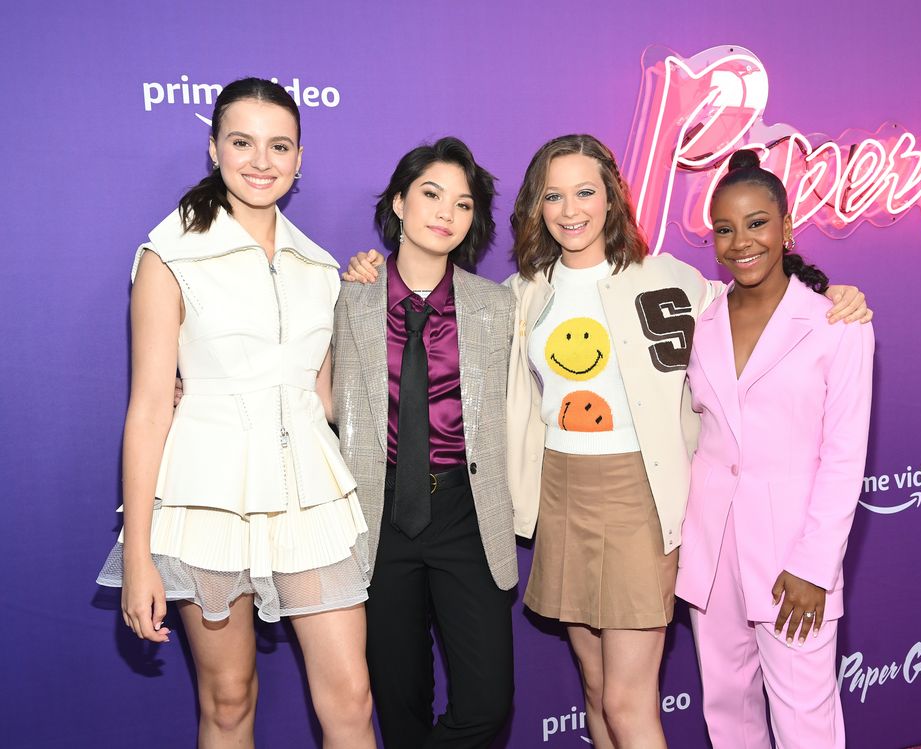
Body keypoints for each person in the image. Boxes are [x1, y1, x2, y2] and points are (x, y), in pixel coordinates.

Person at [502, 134, 870, 749]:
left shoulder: (670, 279)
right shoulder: (524, 293)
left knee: (628, 702)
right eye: (553, 195)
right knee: (601, 691)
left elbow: (767, 298)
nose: (570, 209)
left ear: (612, 197)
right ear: (536, 206)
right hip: (570, 498)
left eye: (585, 191)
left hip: (644, 499)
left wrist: (835, 294)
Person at [96, 78, 376, 749]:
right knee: (228, 699)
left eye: (279, 146)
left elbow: (324, 400)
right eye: (242, 142)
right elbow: (148, 411)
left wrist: (370, 306)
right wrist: (139, 555)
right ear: (214, 148)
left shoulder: (318, 266)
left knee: (351, 698)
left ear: (300, 158)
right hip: (208, 499)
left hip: (308, 498)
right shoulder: (170, 255)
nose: (261, 161)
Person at [675, 149, 874, 748]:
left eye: (757, 223)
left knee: (805, 724)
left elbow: (844, 458)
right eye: (725, 229)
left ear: (787, 227)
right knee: (728, 716)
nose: (742, 242)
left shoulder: (838, 325)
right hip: (712, 555)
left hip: (793, 560)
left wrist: (815, 568)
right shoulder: (701, 320)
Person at [331, 137, 517, 748]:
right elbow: (304, 386)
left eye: (463, 204)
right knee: (399, 699)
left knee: (488, 702)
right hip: (378, 513)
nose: (446, 214)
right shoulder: (346, 297)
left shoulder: (497, 306)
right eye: (432, 195)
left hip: (467, 511)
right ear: (398, 202)